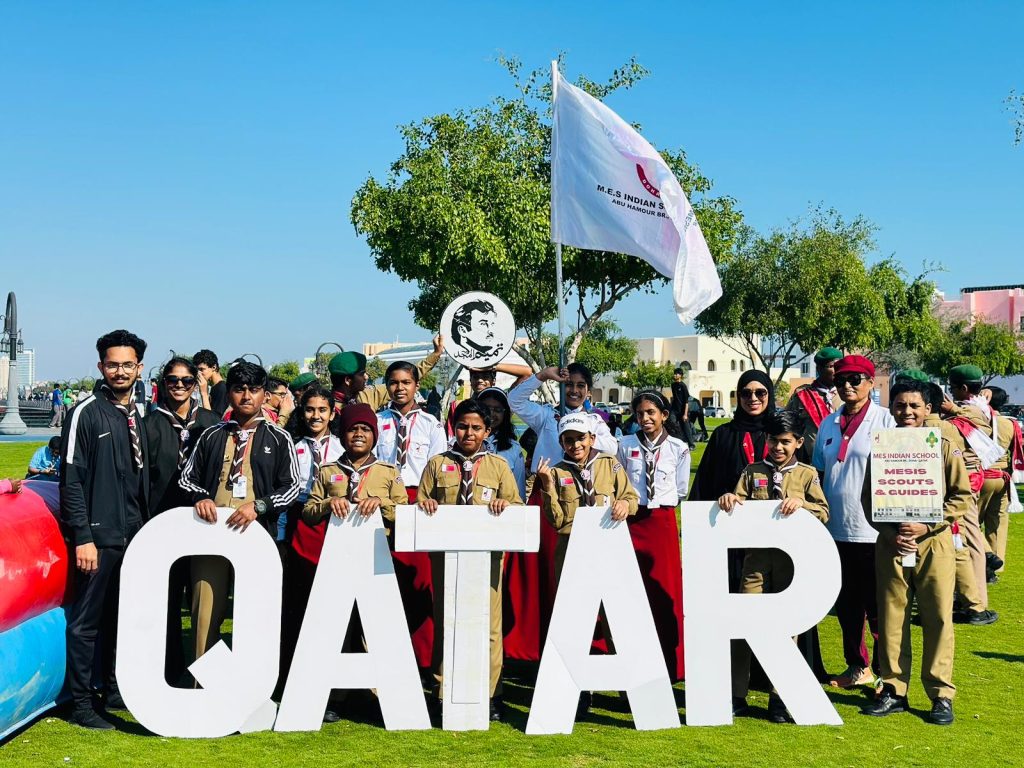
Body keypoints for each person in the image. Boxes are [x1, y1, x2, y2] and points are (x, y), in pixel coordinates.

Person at [286, 402, 407, 720]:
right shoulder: (328, 472)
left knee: (376, 626)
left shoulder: (388, 473)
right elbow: (309, 513)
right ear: (342, 434)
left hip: (376, 558)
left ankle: (381, 697)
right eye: (353, 429)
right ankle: (333, 696)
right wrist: (329, 501)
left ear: (375, 435)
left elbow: (405, 514)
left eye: (365, 429)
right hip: (335, 559)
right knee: (335, 625)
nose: (358, 434)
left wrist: (382, 503)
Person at [860, 379, 970, 725]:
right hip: (892, 543)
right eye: (900, 405)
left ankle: (941, 694)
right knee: (891, 618)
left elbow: (962, 497)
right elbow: (868, 498)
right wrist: (890, 532)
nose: (906, 412)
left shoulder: (944, 443)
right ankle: (894, 689)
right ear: (891, 409)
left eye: (913, 406)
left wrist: (927, 525)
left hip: (933, 542)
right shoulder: (882, 445)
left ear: (927, 409)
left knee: (938, 617)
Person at [177, 361, 300, 662]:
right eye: (239, 389)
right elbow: (186, 478)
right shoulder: (211, 435)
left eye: (254, 390)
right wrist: (202, 497)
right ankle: (202, 688)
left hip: (257, 536)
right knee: (204, 613)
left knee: (255, 614)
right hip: (210, 535)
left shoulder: (278, 437)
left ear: (264, 395)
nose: (247, 396)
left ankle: (252, 690)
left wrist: (258, 506)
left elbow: (293, 486)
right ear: (230, 393)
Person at [60, 329, 151, 730]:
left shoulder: (139, 413)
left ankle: (114, 691)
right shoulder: (86, 411)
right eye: (112, 364)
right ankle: (81, 704)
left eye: (127, 364)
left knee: (122, 618)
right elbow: (71, 479)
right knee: (86, 623)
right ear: (101, 366)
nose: (119, 371)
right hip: (99, 536)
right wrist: (83, 536)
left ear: (138, 368)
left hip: (135, 532)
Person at [718, 409, 829, 722]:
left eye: (785, 442)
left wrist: (802, 505)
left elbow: (823, 512)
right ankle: (736, 694)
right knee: (743, 625)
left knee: (786, 629)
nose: (778, 448)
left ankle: (780, 698)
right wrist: (728, 499)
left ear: (796, 443)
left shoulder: (807, 474)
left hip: (790, 564)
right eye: (773, 441)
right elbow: (736, 503)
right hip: (756, 561)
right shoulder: (753, 471)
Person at [417, 399, 523, 723]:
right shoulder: (437, 464)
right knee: (446, 622)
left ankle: (492, 694)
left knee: (490, 626)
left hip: (488, 559)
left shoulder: (498, 467)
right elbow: (421, 500)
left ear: (487, 431)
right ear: (454, 427)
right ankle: (441, 691)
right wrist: (428, 505)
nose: (469, 432)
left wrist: (507, 504)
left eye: (477, 427)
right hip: (446, 557)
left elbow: (518, 506)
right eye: (463, 426)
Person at [504, 362, 618, 661]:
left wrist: (585, 430)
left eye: (581, 386)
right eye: (570, 385)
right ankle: (537, 645)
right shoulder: (547, 416)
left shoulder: (595, 422)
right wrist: (542, 376)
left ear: (588, 390)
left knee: (578, 577)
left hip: (580, 502)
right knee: (545, 575)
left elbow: (611, 448)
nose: (575, 391)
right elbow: (514, 402)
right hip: (546, 498)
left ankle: (580, 646)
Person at [535, 412, 638, 716]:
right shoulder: (555, 472)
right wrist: (545, 486)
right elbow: (556, 521)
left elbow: (631, 497)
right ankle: (578, 690)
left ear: (591, 438)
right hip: (571, 552)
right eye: (568, 440)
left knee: (615, 620)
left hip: (609, 549)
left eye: (581, 438)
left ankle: (627, 689)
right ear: (561, 442)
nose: (575, 444)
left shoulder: (609, 463)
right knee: (574, 622)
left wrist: (624, 504)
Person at [812, 355, 895, 690]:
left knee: (878, 606)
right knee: (848, 606)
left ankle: (885, 671)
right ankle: (857, 666)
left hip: (873, 530)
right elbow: (818, 472)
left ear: (871, 383)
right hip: (836, 529)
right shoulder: (828, 424)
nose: (847, 386)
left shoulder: (886, 421)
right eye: (841, 380)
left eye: (856, 379)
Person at [144, 356, 220, 684]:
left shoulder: (212, 422)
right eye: (173, 380)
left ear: (195, 384)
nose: (179, 386)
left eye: (186, 381)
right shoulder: (148, 424)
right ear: (163, 384)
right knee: (167, 601)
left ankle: (208, 674)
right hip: (161, 520)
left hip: (204, 522)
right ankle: (170, 672)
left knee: (206, 602)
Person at [375, 360, 447, 669]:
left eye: (406, 382)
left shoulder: (431, 424)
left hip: (420, 500)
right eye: (394, 382)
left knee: (421, 582)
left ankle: (423, 660)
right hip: (382, 500)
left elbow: (439, 467)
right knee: (385, 580)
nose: (400, 387)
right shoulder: (376, 421)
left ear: (417, 385)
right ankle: (387, 657)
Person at [617, 390, 690, 683]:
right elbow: (620, 482)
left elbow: (681, 487)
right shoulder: (625, 445)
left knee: (665, 588)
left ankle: (669, 664)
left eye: (651, 413)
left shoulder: (678, 448)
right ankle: (634, 660)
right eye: (640, 414)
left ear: (664, 415)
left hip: (662, 522)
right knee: (633, 590)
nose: (645, 419)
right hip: (633, 521)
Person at [940, 364, 1002, 620]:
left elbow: (977, 422)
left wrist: (953, 410)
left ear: (963, 388)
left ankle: (976, 601)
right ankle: (968, 598)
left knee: (970, 541)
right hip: (971, 477)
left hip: (967, 480)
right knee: (967, 538)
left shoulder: (971, 409)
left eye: (953, 388)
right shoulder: (979, 405)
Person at [282, 385, 343, 549]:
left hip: (333, 512)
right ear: (302, 414)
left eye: (322, 410)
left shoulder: (342, 447)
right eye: (310, 410)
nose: (316, 416)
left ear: (332, 415)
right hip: (298, 510)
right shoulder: (292, 446)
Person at [327, 337, 443, 414]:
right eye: (362, 374)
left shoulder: (368, 395)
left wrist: (436, 354)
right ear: (348, 380)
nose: (366, 377)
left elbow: (410, 374)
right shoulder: (324, 406)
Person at [978, 385, 1016, 580]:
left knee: (970, 522)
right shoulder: (1010, 423)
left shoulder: (977, 419)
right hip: (1002, 477)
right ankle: (994, 568)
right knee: (998, 525)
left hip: (980, 477)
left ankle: (985, 556)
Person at [786, 347, 842, 463]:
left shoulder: (847, 394)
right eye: (831, 366)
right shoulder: (802, 395)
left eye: (839, 366)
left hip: (841, 460)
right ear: (819, 369)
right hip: (809, 461)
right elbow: (788, 425)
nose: (837, 370)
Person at [475, 387, 527, 500]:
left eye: (497, 410)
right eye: (487, 409)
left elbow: (519, 494)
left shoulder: (513, 448)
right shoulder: (462, 442)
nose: (491, 414)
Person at [194, 349, 228, 417]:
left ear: (214, 367)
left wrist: (204, 393)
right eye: (197, 370)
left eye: (202, 369)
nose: (199, 373)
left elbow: (215, 419)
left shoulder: (222, 388)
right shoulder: (214, 387)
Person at [670, 368, 695, 448]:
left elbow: (686, 402)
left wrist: (685, 414)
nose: (675, 375)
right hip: (674, 410)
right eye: (674, 373)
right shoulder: (673, 385)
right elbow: (674, 397)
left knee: (686, 427)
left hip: (683, 411)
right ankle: (675, 441)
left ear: (680, 376)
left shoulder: (683, 386)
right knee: (671, 423)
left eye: (676, 374)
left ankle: (691, 444)